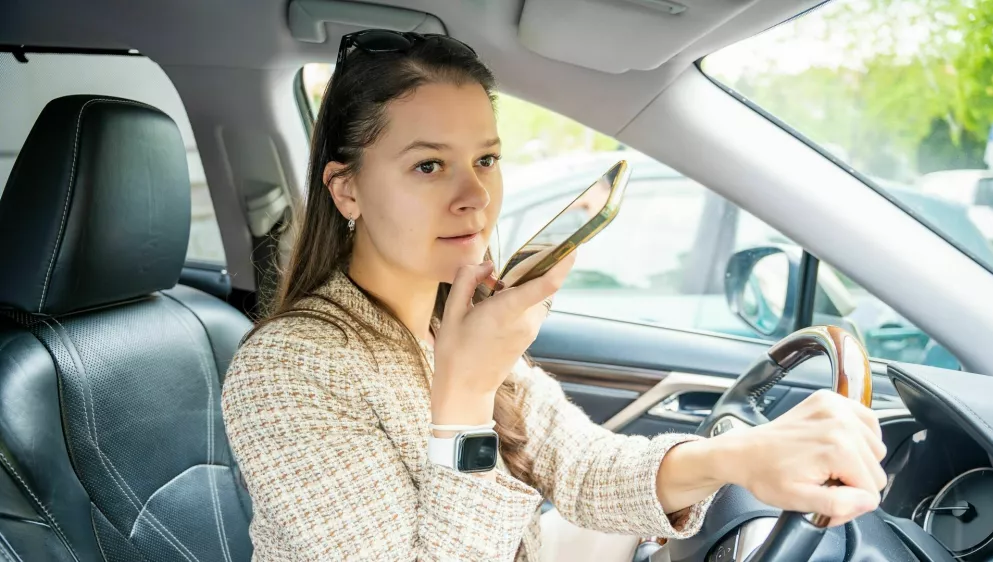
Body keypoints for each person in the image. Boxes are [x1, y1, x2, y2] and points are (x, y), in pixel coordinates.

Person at [220, 29, 888, 562]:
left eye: (485, 159)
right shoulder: (285, 371)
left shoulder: (451, 316)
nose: (476, 196)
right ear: (348, 190)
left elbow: (585, 469)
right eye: (430, 165)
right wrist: (465, 396)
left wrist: (742, 458)